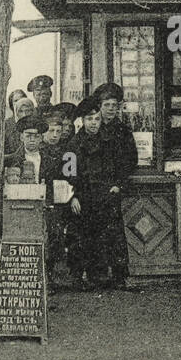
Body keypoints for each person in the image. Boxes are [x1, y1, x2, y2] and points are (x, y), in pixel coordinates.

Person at [70, 85, 139, 291]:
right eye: (105, 106)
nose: (94, 122)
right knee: (88, 235)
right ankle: (93, 276)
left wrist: (118, 184)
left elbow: (126, 162)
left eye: (113, 105)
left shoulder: (116, 134)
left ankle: (118, 275)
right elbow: (69, 172)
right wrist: (73, 195)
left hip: (108, 192)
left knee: (114, 235)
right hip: (85, 196)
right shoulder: (76, 142)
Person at [40, 109, 75, 286]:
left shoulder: (66, 153)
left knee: (55, 237)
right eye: (51, 131)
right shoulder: (39, 151)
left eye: (58, 132)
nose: (54, 135)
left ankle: (52, 274)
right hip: (41, 199)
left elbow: (70, 177)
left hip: (58, 199)